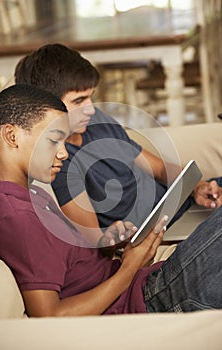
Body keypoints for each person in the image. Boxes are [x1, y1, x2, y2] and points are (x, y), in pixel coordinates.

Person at [0, 84, 222, 318]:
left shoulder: (29, 195)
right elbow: (49, 316)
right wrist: (130, 268)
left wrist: (110, 244)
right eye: (53, 141)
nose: (64, 153)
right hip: (152, 298)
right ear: (12, 136)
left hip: (147, 283)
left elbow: (73, 267)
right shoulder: (16, 216)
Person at [14, 43, 222, 247]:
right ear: (45, 106)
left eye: (90, 97)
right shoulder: (60, 164)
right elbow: (97, 240)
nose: (91, 110)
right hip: (163, 232)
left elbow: (157, 167)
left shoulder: (96, 122)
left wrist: (197, 187)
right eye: (79, 101)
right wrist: (115, 239)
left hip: (182, 202)